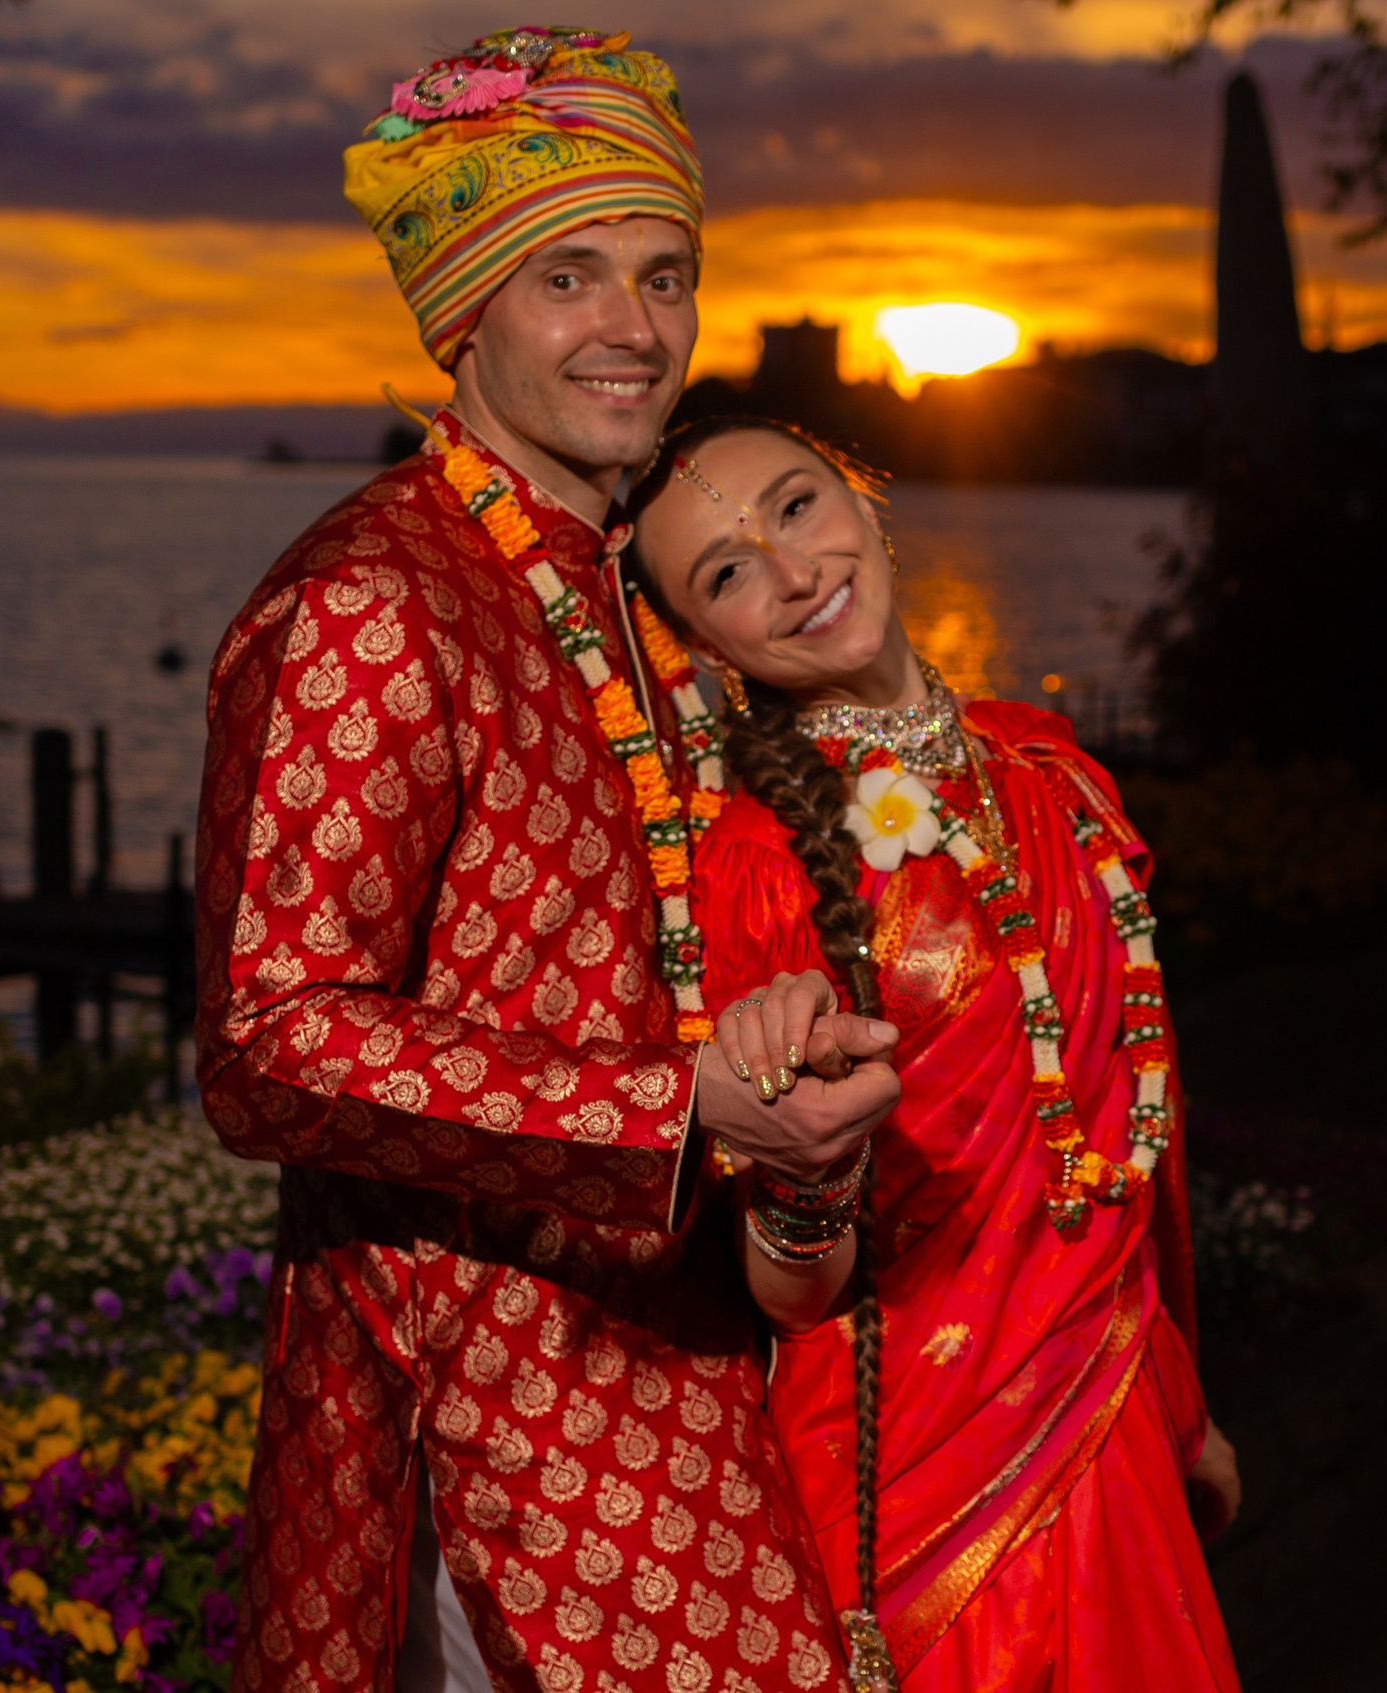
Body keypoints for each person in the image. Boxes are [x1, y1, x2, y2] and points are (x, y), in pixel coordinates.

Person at [195, 28, 896, 1693]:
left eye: (666, 273)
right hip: (492, 1417)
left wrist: (787, 1076)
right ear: (466, 312)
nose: (634, 326)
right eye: (568, 275)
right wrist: (675, 1110)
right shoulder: (378, 601)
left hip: (684, 1367)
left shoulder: (620, 597)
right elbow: (268, 1040)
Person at [619, 414, 1245, 1690]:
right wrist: (798, 1170)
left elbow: (1141, 1144)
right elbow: (792, 1294)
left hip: (1117, 1407)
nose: (790, 571)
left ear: (864, 496)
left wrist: (1183, 1388)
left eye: (794, 506)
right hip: (922, 1487)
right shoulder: (755, 869)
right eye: (725, 574)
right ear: (699, 646)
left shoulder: (1054, 771)